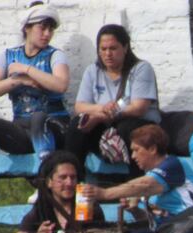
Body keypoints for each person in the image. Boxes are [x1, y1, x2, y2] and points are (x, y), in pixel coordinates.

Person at [0, 2, 70, 210]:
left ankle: (43, 182)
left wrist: (27, 70)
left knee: (38, 117)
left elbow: (61, 84)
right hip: (22, 129)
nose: (47, 34)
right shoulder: (9, 56)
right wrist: (17, 80)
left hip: (52, 126)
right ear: (27, 28)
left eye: (51, 29)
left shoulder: (55, 55)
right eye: (42, 28)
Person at [65, 24, 161, 177]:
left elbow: (138, 108)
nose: (108, 54)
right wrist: (102, 109)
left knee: (128, 128)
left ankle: (138, 185)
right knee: (78, 125)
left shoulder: (141, 69)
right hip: (107, 130)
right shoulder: (92, 70)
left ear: (125, 47)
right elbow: (80, 106)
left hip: (138, 127)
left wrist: (103, 116)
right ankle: (73, 180)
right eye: (103, 49)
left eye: (113, 48)